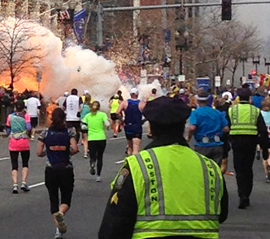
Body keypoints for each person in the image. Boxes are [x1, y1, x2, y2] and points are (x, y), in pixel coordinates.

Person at [98, 96, 228, 239]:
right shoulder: (210, 167)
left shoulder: (137, 166)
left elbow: (113, 226)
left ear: (151, 128)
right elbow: (222, 214)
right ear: (182, 126)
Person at [37, 107, 79, 239]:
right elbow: (75, 149)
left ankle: (58, 231)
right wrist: (66, 151)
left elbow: (39, 153)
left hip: (51, 169)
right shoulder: (69, 133)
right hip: (66, 168)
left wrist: (48, 152)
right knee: (66, 199)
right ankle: (61, 212)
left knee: (53, 199)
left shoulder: (45, 133)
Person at [228, 87, 268, 209]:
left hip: (236, 142)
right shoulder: (255, 111)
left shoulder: (232, 110)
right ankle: (247, 194)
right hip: (251, 141)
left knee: (239, 169)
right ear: (249, 98)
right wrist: (264, 148)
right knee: (248, 169)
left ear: (238, 98)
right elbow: (263, 130)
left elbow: (227, 126)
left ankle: (241, 194)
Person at [186, 89, 228, 166]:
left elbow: (192, 128)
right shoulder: (217, 112)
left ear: (198, 101)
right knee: (216, 169)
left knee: (203, 170)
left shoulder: (195, 113)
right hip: (217, 144)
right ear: (208, 100)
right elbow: (226, 129)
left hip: (202, 145)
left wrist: (188, 137)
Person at [7, 100, 32, 193]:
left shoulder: (10, 117)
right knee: (25, 163)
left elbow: (8, 128)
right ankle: (24, 182)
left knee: (14, 164)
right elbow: (29, 127)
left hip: (13, 142)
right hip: (24, 141)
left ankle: (15, 184)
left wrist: (11, 133)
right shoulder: (26, 116)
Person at [82, 100, 110, 182]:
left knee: (92, 155)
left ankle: (92, 163)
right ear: (99, 107)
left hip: (92, 139)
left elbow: (83, 126)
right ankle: (98, 176)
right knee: (100, 157)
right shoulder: (102, 115)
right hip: (101, 138)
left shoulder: (87, 116)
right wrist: (107, 127)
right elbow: (107, 124)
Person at [118, 88, 145, 156]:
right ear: (137, 94)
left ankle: (129, 161)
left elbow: (117, 112)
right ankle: (134, 164)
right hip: (137, 126)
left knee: (130, 147)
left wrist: (122, 120)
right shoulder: (142, 103)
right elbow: (149, 113)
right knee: (136, 148)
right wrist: (143, 120)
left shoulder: (125, 102)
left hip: (128, 125)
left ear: (130, 94)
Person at [79, 93, 92, 158]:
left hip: (82, 123)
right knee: (90, 138)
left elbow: (79, 111)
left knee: (85, 139)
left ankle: (85, 153)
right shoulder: (91, 107)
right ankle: (89, 149)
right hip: (89, 124)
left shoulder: (82, 106)